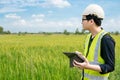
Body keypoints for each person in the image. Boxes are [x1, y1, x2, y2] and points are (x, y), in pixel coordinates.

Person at [73, 4, 115, 80]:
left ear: (91, 21)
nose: (81, 22)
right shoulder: (88, 37)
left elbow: (110, 67)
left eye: (83, 20)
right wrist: (81, 59)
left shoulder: (106, 39)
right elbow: (92, 61)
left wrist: (87, 66)